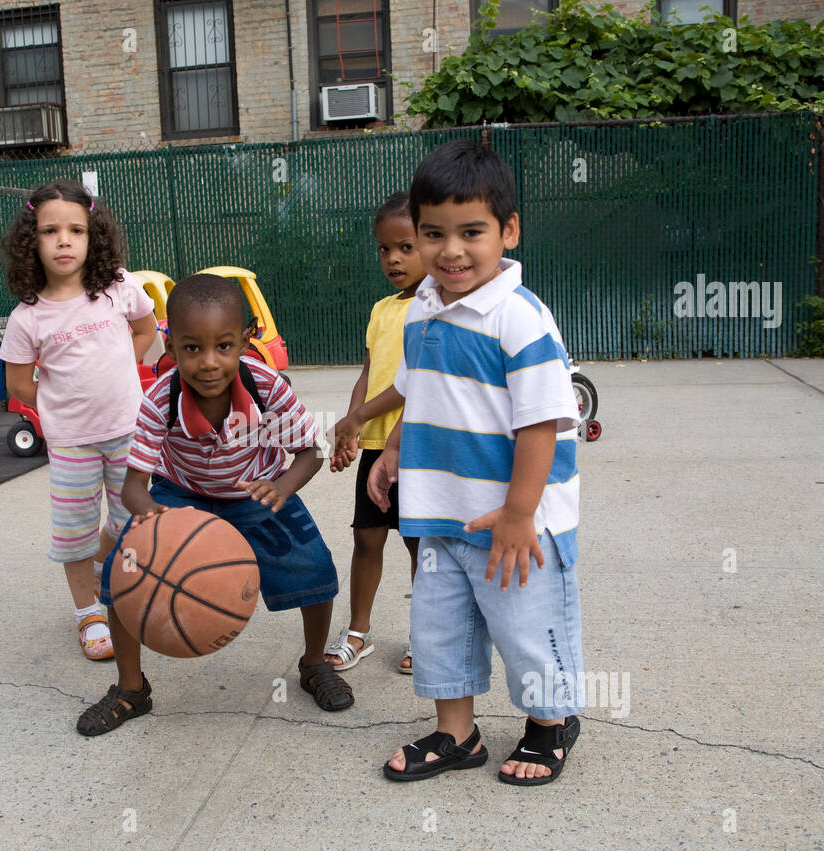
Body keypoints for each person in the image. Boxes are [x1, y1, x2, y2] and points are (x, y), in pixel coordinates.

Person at [370, 140, 586, 785]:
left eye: (472, 232)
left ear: (508, 230)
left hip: (516, 519)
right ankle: (456, 734)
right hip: (441, 511)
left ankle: (549, 727)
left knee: (526, 627)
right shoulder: (425, 308)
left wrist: (521, 513)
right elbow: (420, 388)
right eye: (433, 234)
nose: (451, 251)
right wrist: (396, 450)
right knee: (442, 630)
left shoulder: (519, 320)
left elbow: (543, 422)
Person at [76, 273, 352, 735]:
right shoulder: (159, 399)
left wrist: (282, 488)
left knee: (314, 569)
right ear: (171, 346)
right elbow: (133, 487)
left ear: (245, 341)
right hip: (178, 493)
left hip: (256, 491)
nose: (208, 363)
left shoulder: (266, 389)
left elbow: (311, 452)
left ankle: (312, 664)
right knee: (120, 579)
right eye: (192, 348)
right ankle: (130, 689)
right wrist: (154, 519)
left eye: (223, 346)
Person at [0, 180, 157, 661]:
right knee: (74, 533)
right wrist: (61, 401)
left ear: (94, 237)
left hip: (129, 431)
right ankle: (89, 613)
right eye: (50, 231)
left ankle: (109, 570)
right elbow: (18, 383)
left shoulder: (118, 289)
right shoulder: (28, 318)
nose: (64, 240)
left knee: (132, 523)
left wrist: (123, 369)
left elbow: (148, 328)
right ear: (32, 242)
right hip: (71, 444)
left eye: (76, 230)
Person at [324, 191, 424, 675]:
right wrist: (351, 427)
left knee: (419, 544)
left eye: (406, 246)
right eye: (385, 249)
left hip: (416, 446)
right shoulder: (382, 309)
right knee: (367, 538)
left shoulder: (436, 308)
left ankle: (426, 636)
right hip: (375, 446)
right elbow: (368, 373)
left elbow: (416, 380)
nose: (394, 258)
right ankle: (358, 631)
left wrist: (358, 417)